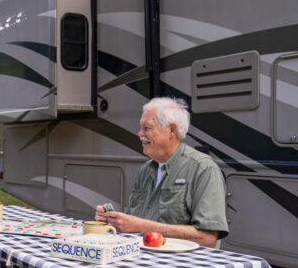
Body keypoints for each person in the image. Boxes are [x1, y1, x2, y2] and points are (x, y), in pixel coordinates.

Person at [95, 97, 228, 247]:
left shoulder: (203, 169)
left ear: (171, 130)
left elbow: (207, 238)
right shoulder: (146, 170)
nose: (139, 134)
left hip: (183, 267)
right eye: (140, 127)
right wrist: (114, 220)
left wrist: (142, 226)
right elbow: (134, 224)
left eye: (147, 128)